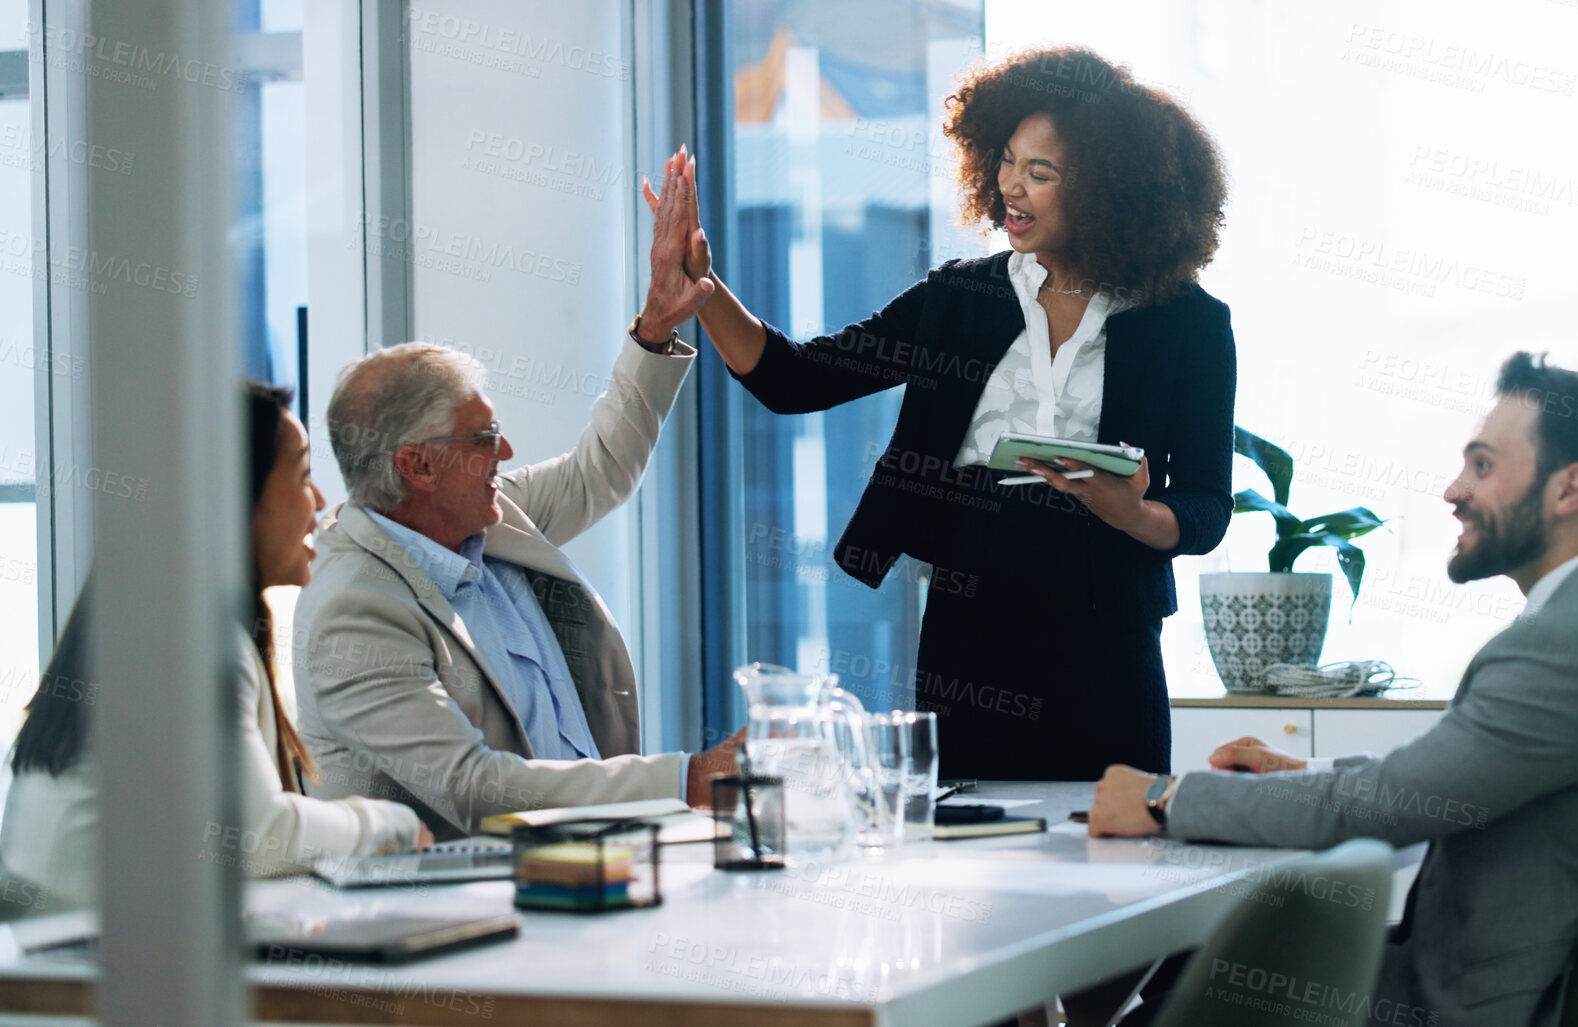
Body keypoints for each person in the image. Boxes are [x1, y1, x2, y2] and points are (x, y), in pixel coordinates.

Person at [1088, 353, 1578, 1027]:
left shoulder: (1570, 645)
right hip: (1496, 989)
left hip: (1444, 1009)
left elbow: (1379, 809)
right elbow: (1440, 781)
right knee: (1193, 969)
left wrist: (1166, 796)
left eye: (1482, 465)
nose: (1452, 490)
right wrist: (1302, 769)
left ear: (1568, 490)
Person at [638, 46, 1235, 780]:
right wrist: (703, 287)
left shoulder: (1187, 324)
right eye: (1007, 162)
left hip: (1107, 633)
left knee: (1117, 840)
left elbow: (1206, 501)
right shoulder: (960, 298)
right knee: (967, 844)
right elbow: (796, 379)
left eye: (1040, 174)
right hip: (968, 631)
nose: (1011, 187)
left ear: (1113, 190)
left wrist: (1133, 514)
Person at [294, 247, 736, 839]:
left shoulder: (485, 519)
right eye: (485, 437)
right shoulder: (352, 610)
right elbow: (476, 788)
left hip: (587, 861)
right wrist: (688, 779)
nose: (505, 452)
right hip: (472, 907)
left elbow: (598, 469)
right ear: (419, 466)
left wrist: (656, 329)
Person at [1, 384, 431, 910]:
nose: (319, 501)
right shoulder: (192, 641)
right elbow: (258, 836)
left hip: (71, 965)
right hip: (93, 975)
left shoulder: (155, 618)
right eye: (300, 475)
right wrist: (391, 823)